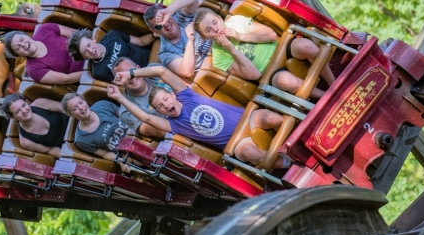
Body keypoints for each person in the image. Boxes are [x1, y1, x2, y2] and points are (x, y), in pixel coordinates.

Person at [105, 65, 291, 169]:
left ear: (172, 95)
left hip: (246, 120)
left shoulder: (187, 95)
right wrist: (119, 96)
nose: (165, 105)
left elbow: (161, 71)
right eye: (160, 106)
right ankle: (289, 165)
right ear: (160, 111)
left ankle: (295, 146)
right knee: (251, 154)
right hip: (237, 142)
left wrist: (130, 73)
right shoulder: (174, 125)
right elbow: (146, 119)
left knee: (272, 118)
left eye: (165, 100)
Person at [194, 8, 334, 97]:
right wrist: (231, 49)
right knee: (287, 81)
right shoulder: (219, 57)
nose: (215, 29)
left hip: (278, 49)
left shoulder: (236, 21)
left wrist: (241, 36)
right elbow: (254, 74)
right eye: (208, 30)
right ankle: (327, 97)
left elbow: (271, 35)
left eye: (214, 23)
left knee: (307, 46)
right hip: (268, 72)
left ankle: (333, 85)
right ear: (205, 37)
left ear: (219, 19)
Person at [143, 0, 212, 78]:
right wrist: (190, 41)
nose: (166, 24)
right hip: (211, 67)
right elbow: (187, 72)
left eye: (165, 19)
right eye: (159, 25)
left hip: (220, 41)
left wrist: (169, 10)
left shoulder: (179, 16)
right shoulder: (165, 52)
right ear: (154, 31)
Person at [1, 24, 84, 85]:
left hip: (91, 49)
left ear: (25, 35)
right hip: (86, 72)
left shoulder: (45, 29)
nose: (23, 45)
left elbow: (78, 35)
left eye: (21, 39)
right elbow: (66, 79)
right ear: (18, 55)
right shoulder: (34, 70)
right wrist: (88, 72)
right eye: (18, 48)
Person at [67, 28, 153, 83]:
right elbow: (121, 83)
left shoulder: (112, 35)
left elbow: (140, 41)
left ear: (93, 39)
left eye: (89, 45)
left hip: (152, 57)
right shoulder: (98, 72)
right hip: (144, 79)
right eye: (85, 52)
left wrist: (154, 34)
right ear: (84, 57)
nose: (91, 51)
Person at [111, 57, 168, 138]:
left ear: (138, 68)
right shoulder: (126, 112)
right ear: (119, 83)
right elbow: (157, 131)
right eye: (123, 76)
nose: (130, 77)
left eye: (131, 71)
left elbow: (183, 85)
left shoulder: (154, 69)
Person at [61, 93, 129, 161]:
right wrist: (120, 161)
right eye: (75, 109)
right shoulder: (81, 140)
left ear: (85, 101)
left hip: (133, 132)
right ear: (70, 115)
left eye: (81, 103)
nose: (81, 108)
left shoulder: (102, 105)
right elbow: (104, 154)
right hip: (126, 152)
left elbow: (128, 117)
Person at [1, 93, 69, 159]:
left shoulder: (40, 103)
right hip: (69, 145)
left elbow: (67, 109)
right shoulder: (26, 142)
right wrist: (69, 157)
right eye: (18, 111)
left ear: (27, 102)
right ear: (13, 117)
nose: (24, 111)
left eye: (24, 105)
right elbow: (51, 150)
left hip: (74, 122)